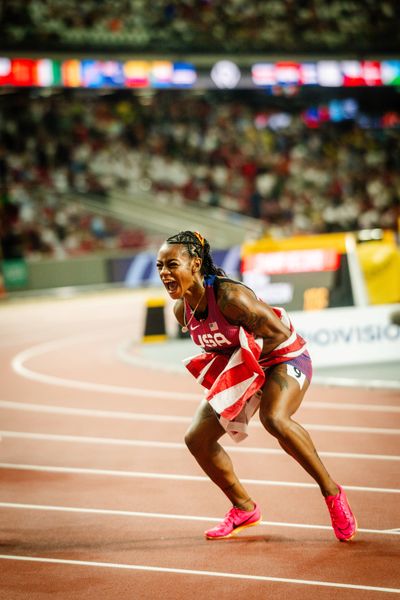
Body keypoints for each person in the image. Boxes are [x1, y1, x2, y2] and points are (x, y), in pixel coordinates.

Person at [156, 230, 357, 542]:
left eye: (171, 265)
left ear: (195, 264)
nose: (164, 273)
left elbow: (279, 335)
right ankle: (244, 508)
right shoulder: (182, 310)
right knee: (197, 439)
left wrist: (246, 365)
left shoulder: (231, 299)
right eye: (159, 267)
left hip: (283, 356)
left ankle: (332, 493)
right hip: (244, 364)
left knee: (274, 418)